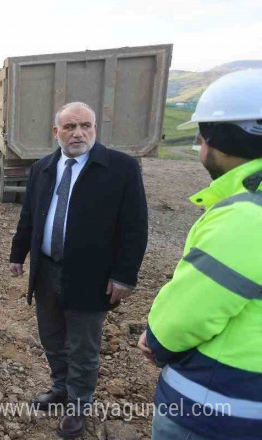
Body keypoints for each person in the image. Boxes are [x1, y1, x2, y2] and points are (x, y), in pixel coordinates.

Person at [9, 102, 148, 438]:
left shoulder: (120, 168)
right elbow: (30, 216)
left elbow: (135, 227)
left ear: (95, 128)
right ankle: (60, 388)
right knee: (52, 338)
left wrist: (124, 275)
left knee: (83, 348)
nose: (78, 133)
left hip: (91, 277)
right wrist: (18, 253)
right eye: (69, 127)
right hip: (46, 272)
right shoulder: (43, 168)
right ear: (56, 132)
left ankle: (78, 405)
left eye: (85, 125)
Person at [137, 69, 262, 440]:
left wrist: (156, 339)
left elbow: (185, 316)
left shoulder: (245, 217)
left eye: (201, 135)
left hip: (217, 411)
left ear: (216, 139)